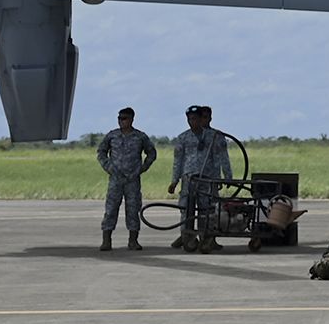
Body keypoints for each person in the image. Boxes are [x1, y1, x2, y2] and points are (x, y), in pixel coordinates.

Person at [167, 104, 231, 253]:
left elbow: (221, 158)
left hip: (207, 180)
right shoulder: (183, 138)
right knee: (186, 209)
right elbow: (178, 161)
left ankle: (206, 238)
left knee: (207, 210)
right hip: (189, 180)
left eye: (195, 119)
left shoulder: (213, 136)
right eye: (190, 119)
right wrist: (174, 180)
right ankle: (187, 237)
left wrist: (224, 177)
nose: (192, 122)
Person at [95, 106, 157, 251]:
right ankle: (106, 240)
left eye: (124, 118)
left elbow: (152, 153)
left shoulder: (140, 137)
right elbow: (101, 152)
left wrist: (142, 168)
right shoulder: (112, 135)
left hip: (132, 180)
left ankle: (133, 241)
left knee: (133, 209)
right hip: (116, 179)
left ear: (131, 119)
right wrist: (108, 167)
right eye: (119, 118)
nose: (121, 121)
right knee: (111, 209)